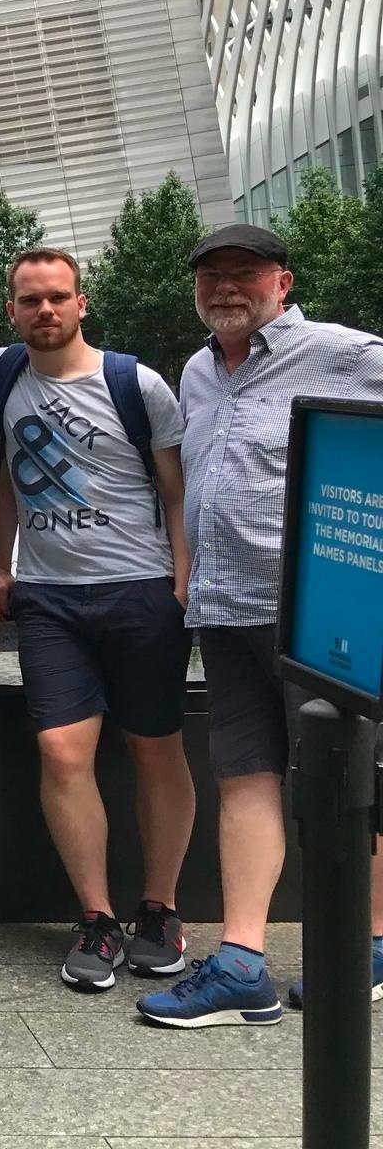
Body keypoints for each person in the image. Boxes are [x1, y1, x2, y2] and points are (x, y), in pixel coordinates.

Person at [139, 224, 383, 1027]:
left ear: (283, 281)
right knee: (243, 776)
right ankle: (243, 963)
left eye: (244, 273)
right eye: (211, 276)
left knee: (352, 779)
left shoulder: (343, 353)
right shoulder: (198, 369)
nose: (225, 288)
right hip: (225, 607)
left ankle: (373, 944)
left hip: (319, 616)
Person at [0, 249, 195, 993]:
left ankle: (160, 909)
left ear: (81, 304)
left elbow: (176, 492)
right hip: (49, 598)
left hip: (139, 589)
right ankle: (97, 918)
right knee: (61, 752)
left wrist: (182, 583)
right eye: (30, 299)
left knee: (156, 749)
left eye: (57, 297)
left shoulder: (137, 384)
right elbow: (1, 479)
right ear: (12, 310)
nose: (44, 310)